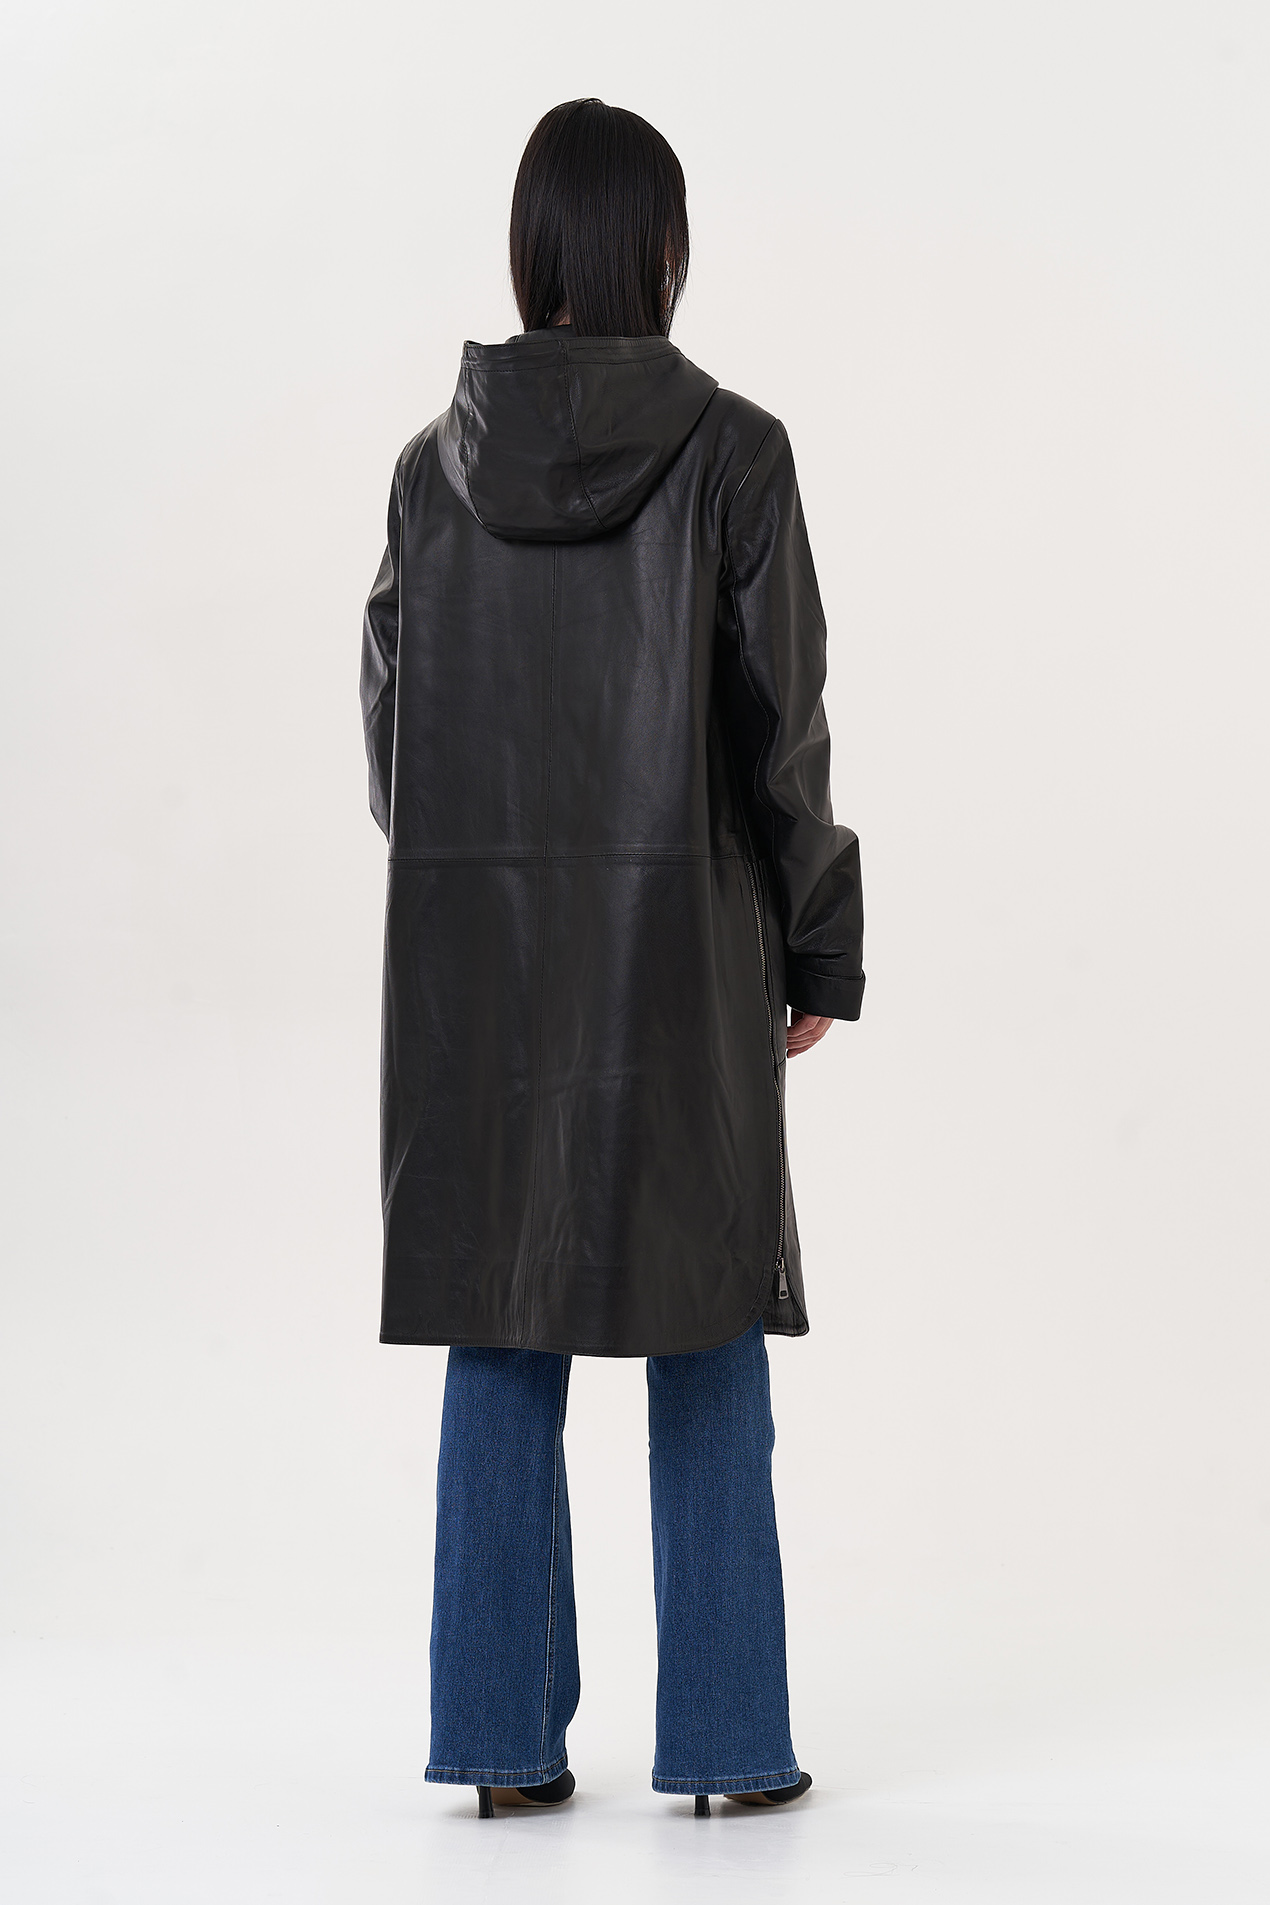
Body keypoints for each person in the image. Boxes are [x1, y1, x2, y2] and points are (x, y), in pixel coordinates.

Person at [360, 97, 864, 1820]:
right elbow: (782, 731)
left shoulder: (428, 473)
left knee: (498, 1319)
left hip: (479, 982)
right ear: (664, 248)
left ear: (529, 251)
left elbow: (397, 755)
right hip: (685, 959)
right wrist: (818, 943)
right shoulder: (737, 454)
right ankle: (725, 1744)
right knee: (702, 1316)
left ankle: (500, 1745)